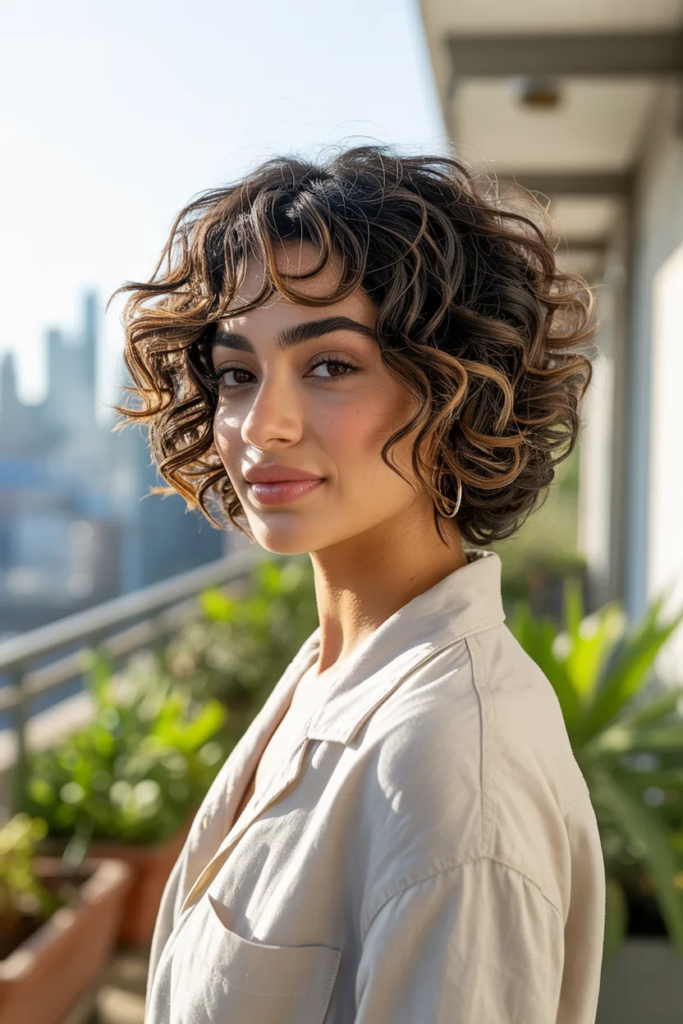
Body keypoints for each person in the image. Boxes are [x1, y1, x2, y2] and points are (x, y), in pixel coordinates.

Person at [113, 144, 606, 1023]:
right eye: (237, 373)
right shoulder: (333, 672)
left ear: (452, 388)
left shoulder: (451, 772)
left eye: (330, 365)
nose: (264, 422)